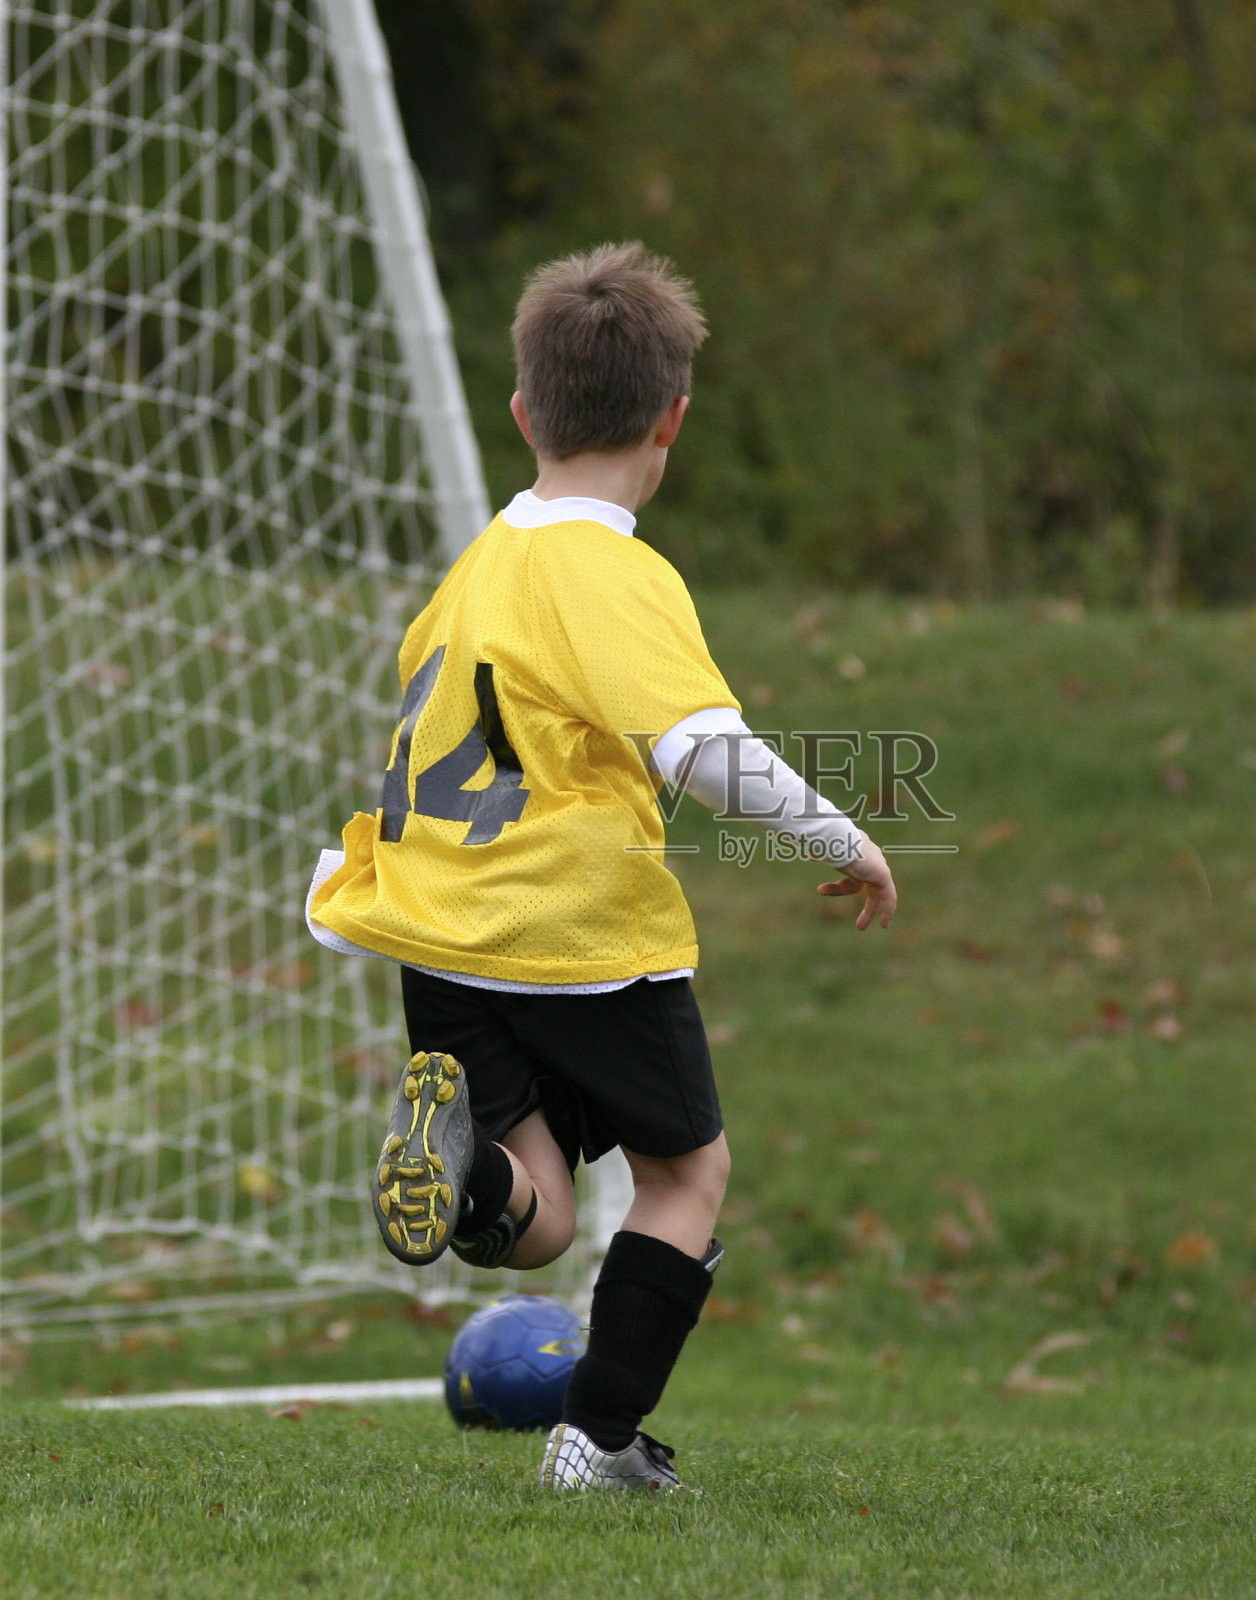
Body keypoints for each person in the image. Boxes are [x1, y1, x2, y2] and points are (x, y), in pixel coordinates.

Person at [305, 242, 897, 1491]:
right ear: (674, 416)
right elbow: (701, 750)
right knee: (687, 1176)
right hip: (573, 933)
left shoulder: (480, 569)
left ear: (523, 410)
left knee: (543, 1218)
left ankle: (461, 1168)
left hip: (439, 925)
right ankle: (598, 1442)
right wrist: (845, 835)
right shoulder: (610, 571)